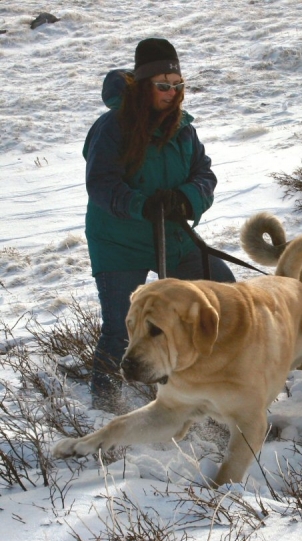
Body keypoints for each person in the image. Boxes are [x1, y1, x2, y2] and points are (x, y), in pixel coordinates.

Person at [84, 38, 235, 411]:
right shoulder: (112, 128)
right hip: (120, 242)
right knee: (123, 327)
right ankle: (104, 406)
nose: (173, 93)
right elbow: (101, 184)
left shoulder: (183, 127)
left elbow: (204, 173)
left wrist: (187, 198)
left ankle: (217, 385)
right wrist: (143, 204)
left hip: (174, 237)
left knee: (226, 297)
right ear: (143, 86)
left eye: (178, 85)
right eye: (163, 85)